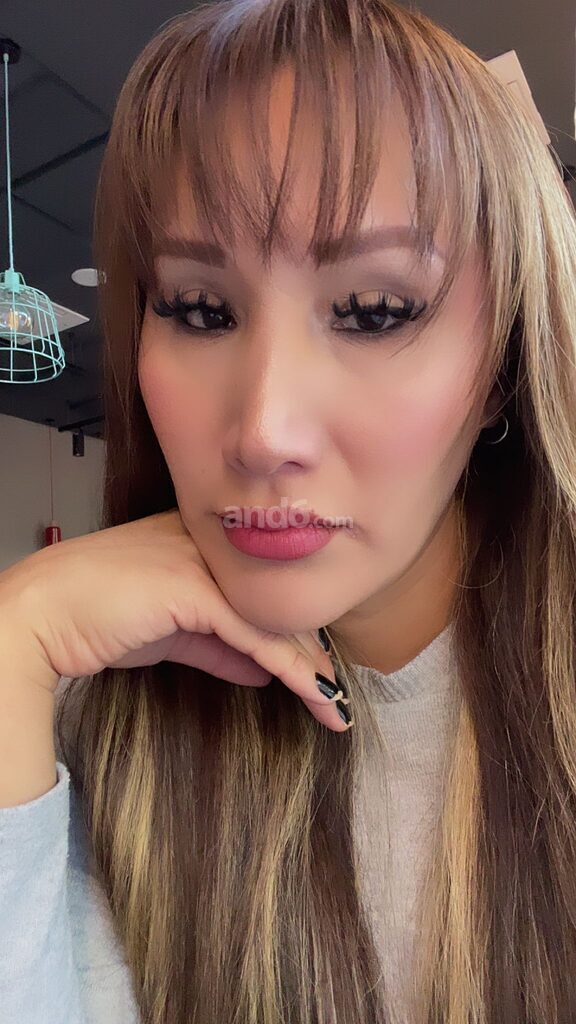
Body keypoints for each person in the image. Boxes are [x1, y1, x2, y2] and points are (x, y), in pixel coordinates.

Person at [0, 0, 575, 1021]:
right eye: (200, 309)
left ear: (501, 366)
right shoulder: (79, 738)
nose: (264, 431)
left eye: (373, 311)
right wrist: (12, 639)